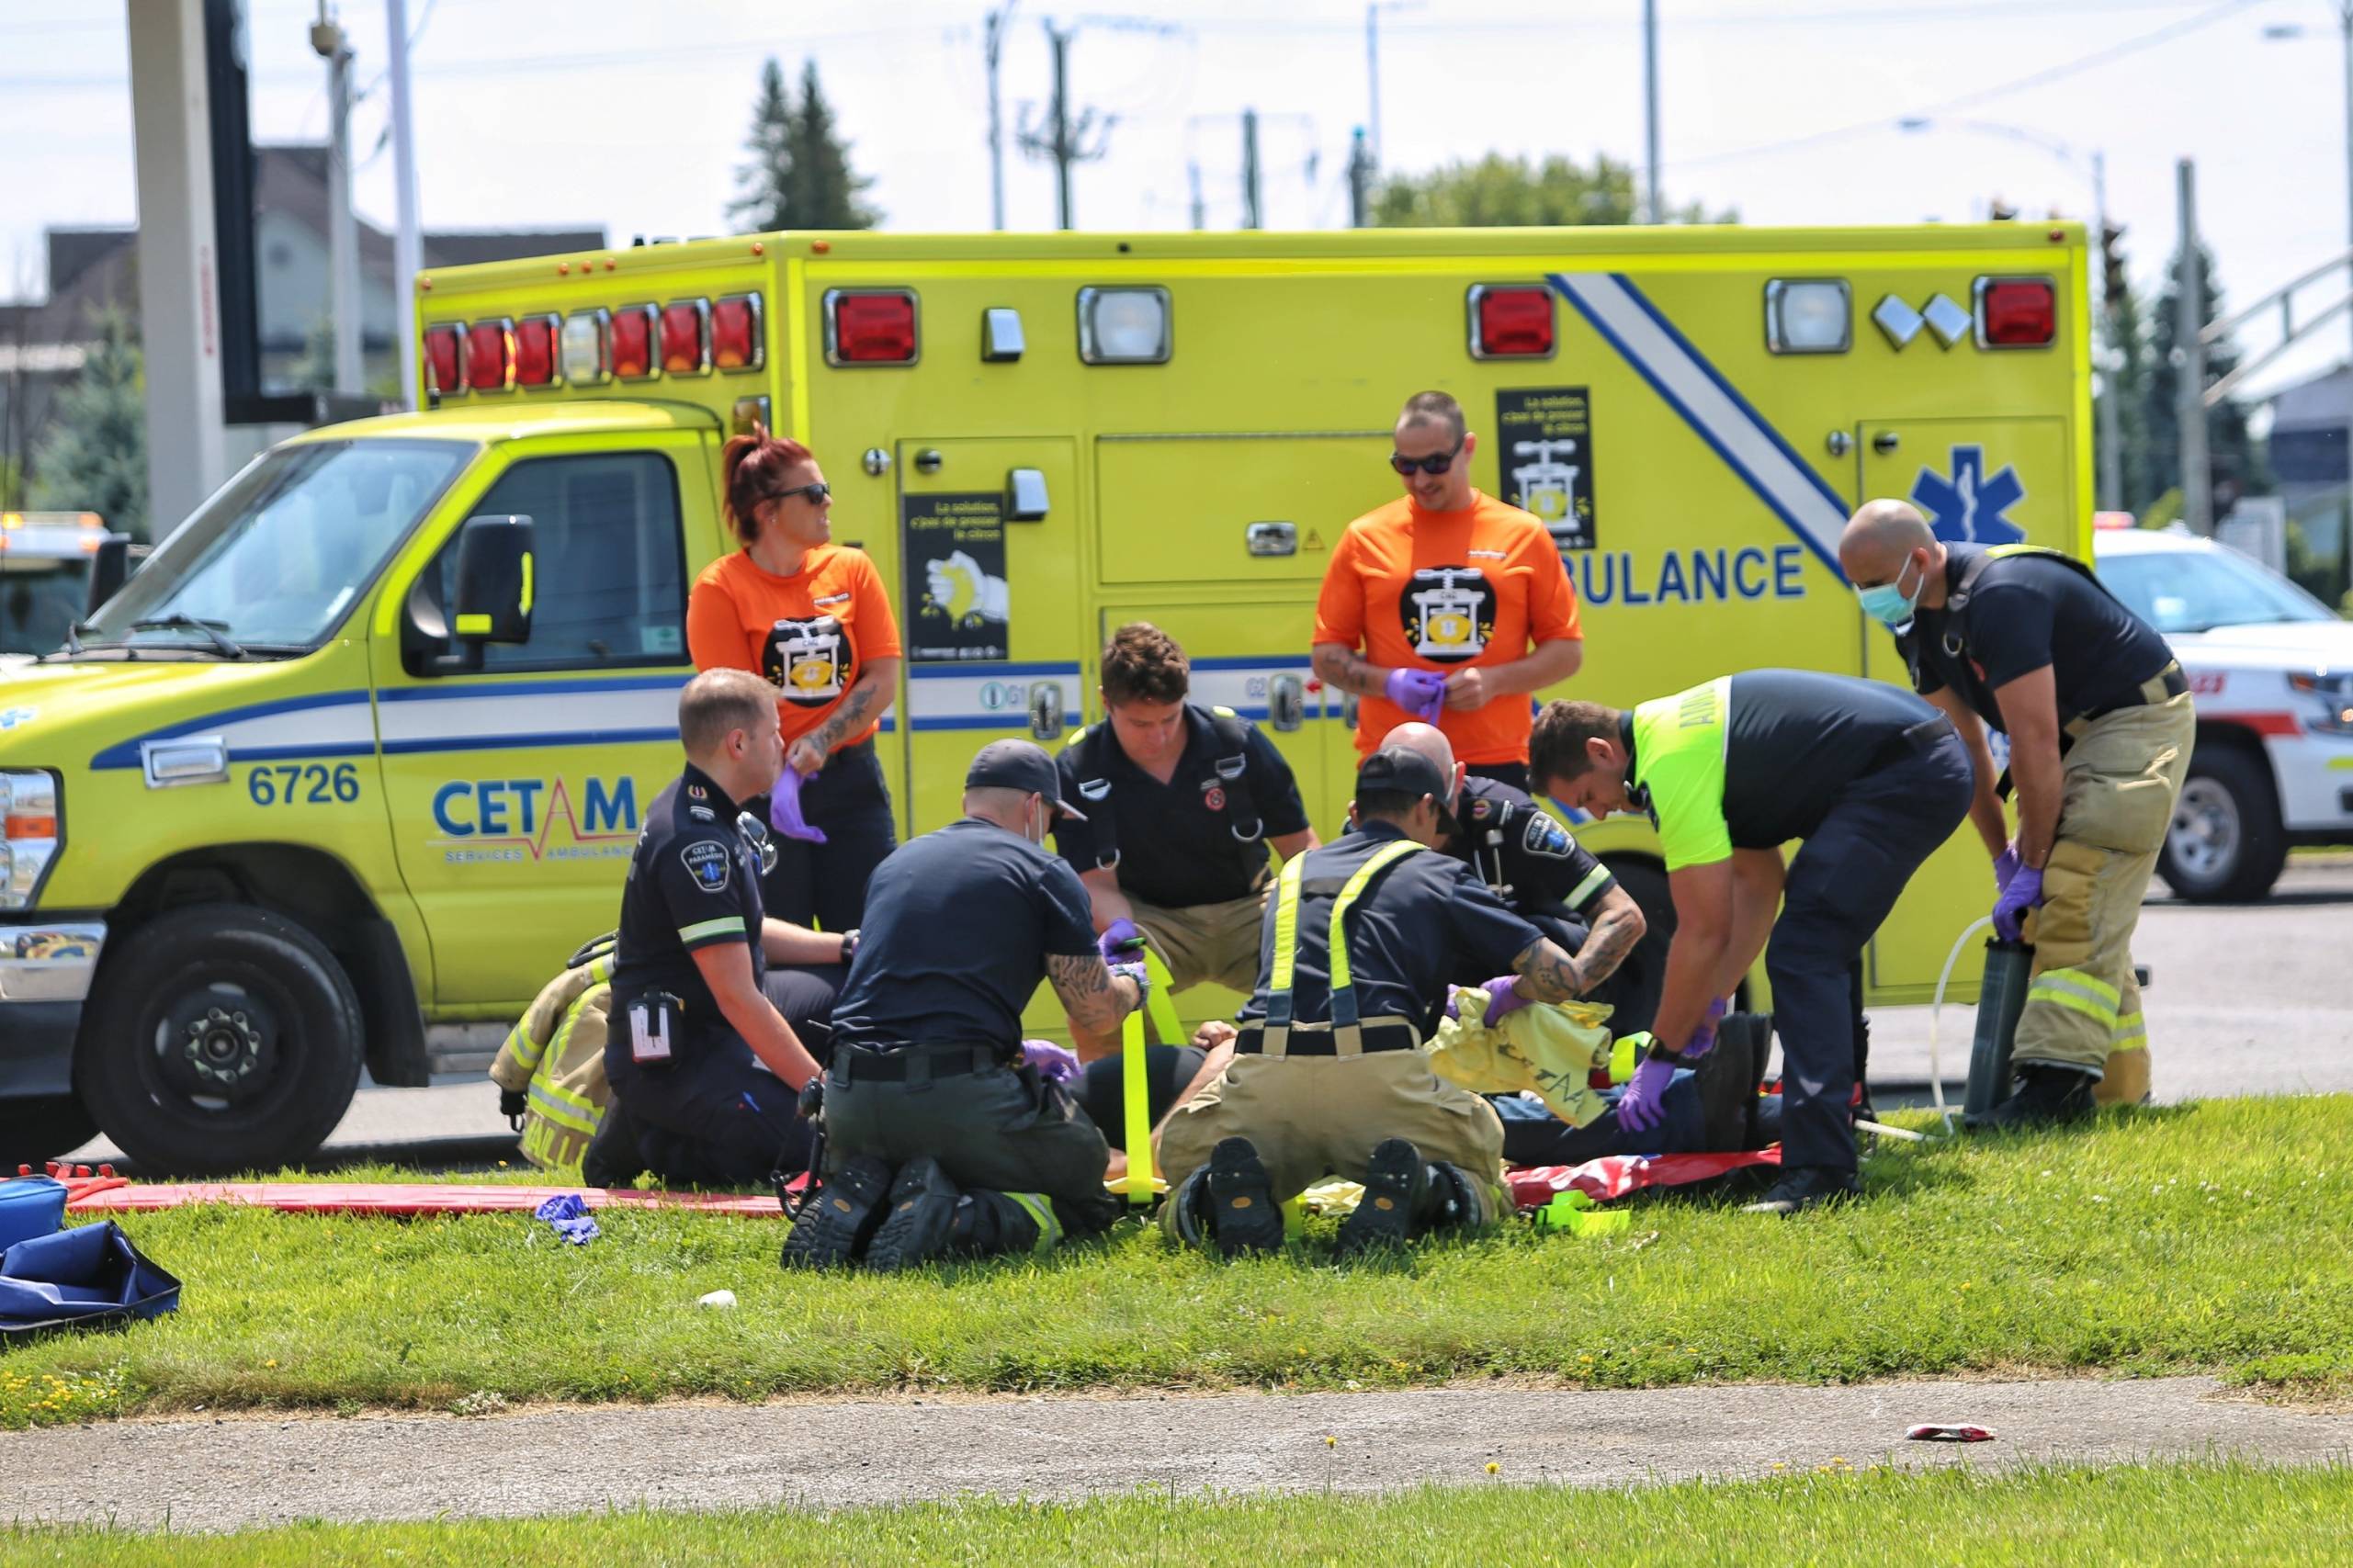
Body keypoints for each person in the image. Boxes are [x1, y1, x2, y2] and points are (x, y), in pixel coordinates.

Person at [1531, 671, 1974, 1214]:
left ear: (1601, 751)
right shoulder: (1672, 737)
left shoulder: (1667, 764)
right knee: (1820, 932)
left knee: (1807, 947)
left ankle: (1821, 1173)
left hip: (1909, 769)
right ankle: (1843, 1123)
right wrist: (1713, 1002)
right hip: (1920, 756)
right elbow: (1760, 881)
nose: (1598, 813)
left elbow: (1703, 930)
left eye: (1588, 796)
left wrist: (1660, 1056)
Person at [1157, 739, 1618, 1258]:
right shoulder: (1438, 870)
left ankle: (1217, 1201)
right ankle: (1424, 1189)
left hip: (1266, 1072)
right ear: (1425, 807)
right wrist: (1508, 992)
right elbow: (1560, 977)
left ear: (1356, 811)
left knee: (1184, 1169)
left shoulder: (1293, 873)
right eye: (1440, 819)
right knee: (1484, 1167)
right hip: (1377, 1077)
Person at [1840, 502, 2194, 1124]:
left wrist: (2035, 860)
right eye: (1856, 584)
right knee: (2063, 906)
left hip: (2133, 719)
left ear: (1920, 560)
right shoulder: (1916, 627)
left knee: (2077, 883)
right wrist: (2003, 857)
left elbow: (2029, 740)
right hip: (2072, 734)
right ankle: (2116, 1096)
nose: (1864, 597)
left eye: (1871, 583)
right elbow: (1965, 746)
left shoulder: (2000, 597)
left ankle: (2051, 1092)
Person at [783, 740, 1148, 1272]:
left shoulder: (895, 865)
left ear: (967, 803)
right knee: (1087, 1186)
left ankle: (864, 1206)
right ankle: (959, 1219)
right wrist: (1130, 982)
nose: (1048, 832)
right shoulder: (1043, 869)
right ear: (1031, 807)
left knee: (939, 1147)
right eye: (1048, 818)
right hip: (953, 1098)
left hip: (849, 1102)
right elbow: (1095, 1013)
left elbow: (923, 992)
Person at [589, 670, 855, 1190]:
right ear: (738, 743)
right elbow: (737, 996)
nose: (783, 744)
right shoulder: (695, 841)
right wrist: (822, 1094)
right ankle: (651, 1134)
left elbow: (748, 933)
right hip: (683, 1052)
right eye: (774, 732)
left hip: (716, 1022)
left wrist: (848, 946)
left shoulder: (713, 810)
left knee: (858, 986)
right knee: (825, 1149)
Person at [1055, 623, 1318, 1055]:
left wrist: (1319, 924)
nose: (1157, 737)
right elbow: (1097, 886)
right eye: (1140, 723)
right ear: (1106, 702)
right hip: (1152, 924)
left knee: (1336, 972)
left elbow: (1302, 851)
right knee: (1092, 1004)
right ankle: (1118, 1112)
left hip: (1251, 911)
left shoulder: (1236, 742)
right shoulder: (1079, 767)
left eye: (1169, 718)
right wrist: (1124, 939)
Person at [1310, 389, 1584, 788]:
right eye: (1405, 465)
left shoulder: (1523, 533)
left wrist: (1493, 682)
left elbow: (1566, 652)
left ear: (1468, 448)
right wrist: (1390, 683)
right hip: (1395, 758)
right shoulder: (1364, 537)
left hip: (1496, 760)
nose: (1420, 480)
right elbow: (1327, 655)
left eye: (1436, 463)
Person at [687, 429, 902, 931]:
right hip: (764, 787)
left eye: (825, 488)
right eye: (812, 493)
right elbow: (736, 706)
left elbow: (884, 676)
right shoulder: (720, 588)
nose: (827, 501)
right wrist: (787, 766)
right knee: (780, 943)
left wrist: (823, 739)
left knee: (871, 937)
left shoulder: (852, 569)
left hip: (851, 782)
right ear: (768, 511)